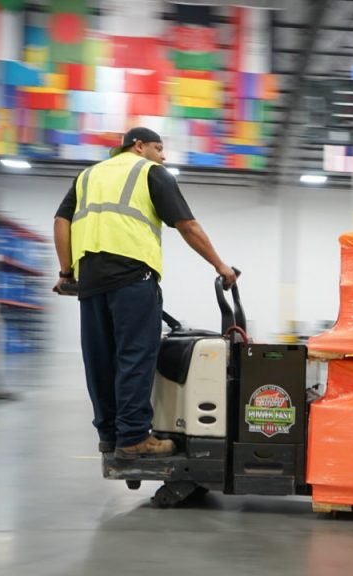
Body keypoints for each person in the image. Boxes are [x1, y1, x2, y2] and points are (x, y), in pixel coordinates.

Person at [52, 127, 237, 460]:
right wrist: (220, 265)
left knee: (99, 360)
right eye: (158, 148)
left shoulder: (88, 176)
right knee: (135, 356)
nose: (163, 156)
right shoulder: (149, 172)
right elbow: (188, 226)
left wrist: (66, 273)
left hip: (90, 282)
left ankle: (109, 436)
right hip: (132, 278)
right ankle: (135, 437)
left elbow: (61, 221)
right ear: (138, 146)